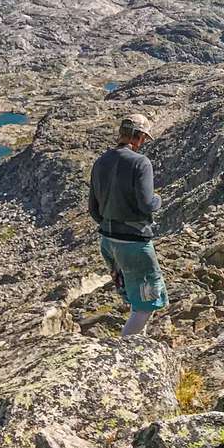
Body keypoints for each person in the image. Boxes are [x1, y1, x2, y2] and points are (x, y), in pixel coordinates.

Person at [88, 113, 168, 337]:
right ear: (139, 136)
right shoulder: (140, 163)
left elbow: (93, 209)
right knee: (147, 301)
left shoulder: (101, 161)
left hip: (108, 242)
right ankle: (127, 352)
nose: (143, 143)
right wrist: (158, 200)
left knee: (135, 296)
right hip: (133, 242)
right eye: (143, 138)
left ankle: (136, 344)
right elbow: (146, 203)